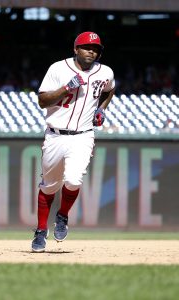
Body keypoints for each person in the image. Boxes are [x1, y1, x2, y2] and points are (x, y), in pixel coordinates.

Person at [31, 31, 115, 252]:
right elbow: (42, 101)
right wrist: (66, 88)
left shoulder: (104, 71)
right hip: (55, 135)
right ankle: (41, 230)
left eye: (96, 48)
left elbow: (110, 88)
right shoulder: (58, 68)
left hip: (83, 135)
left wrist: (101, 109)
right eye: (87, 47)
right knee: (49, 187)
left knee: (74, 180)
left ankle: (62, 215)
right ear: (75, 49)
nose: (92, 51)